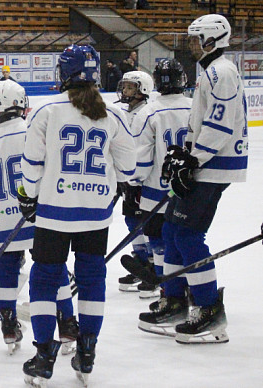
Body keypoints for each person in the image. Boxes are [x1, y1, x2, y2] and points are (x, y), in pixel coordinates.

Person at [19, 44, 136, 387]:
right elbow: (129, 167)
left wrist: (30, 196)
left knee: (44, 280)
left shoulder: (46, 111)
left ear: (63, 73)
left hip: (54, 213)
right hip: (96, 214)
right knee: (91, 280)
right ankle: (87, 350)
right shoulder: (113, 114)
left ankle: (43, 355)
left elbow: (31, 166)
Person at [151, 14, 246, 345]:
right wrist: (185, 154)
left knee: (188, 236)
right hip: (207, 161)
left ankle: (209, 310)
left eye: (196, 38)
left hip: (214, 165)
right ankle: (176, 299)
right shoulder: (211, 71)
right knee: (171, 229)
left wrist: (193, 158)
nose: (191, 44)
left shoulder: (221, 72)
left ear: (212, 40)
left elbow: (219, 124)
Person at [0, 79, 79, 356]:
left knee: (7, 268)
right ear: (21, 102)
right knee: (52, 266)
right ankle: (67, 322)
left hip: (1, 216)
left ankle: (8, 324)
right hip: (34, 210)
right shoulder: (31, 129)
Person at [132, 58, 193, 337]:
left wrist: (132, 183)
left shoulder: (149, 112)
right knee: (185, 240)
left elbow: (141, 159)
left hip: (156, 189)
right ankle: (185, 289)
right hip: (190, 187)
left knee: (158, 240)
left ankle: (169, 292)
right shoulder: (195, 106)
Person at [115, 70, 157, 297]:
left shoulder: (148, 113)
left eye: (130, 87)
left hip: (142, 179)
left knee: (147, 222)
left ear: (142, 90)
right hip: (127, 178)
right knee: (131, 219)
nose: (125, 90)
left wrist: (134, 177)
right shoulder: (125, 112)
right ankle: (140, 262)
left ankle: (152, 265)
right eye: (125, 86)